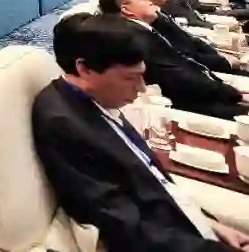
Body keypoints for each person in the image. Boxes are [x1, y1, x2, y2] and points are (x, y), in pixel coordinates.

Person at [32, 13, 249, 251]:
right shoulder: (63, 123)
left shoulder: (97, 100)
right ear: (83, 68)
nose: (141, 89)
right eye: (130, 78)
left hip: (182, 222)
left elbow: (153, 178)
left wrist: (210, 224)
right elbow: (123, 227)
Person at [97, 0, 248, 120]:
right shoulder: (133, 38)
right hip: (188, 104)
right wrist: (230, 92)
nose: (148, 1)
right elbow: (177, 75)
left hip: (204, 84)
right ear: (126, 9)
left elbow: (185, 55)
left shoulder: (145, 27)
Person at [123, 0, 248, 78]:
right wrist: (223, 62)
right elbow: (183, 58)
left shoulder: (159, 11)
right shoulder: (146, 26)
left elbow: (189, 41)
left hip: (203, 62)